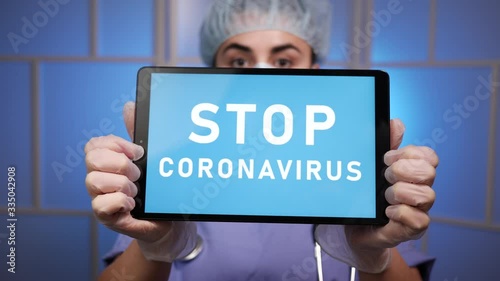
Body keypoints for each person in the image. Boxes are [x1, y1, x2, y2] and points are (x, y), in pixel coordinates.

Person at [84, 0, 438, 280]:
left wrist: (374, 259)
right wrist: (155, 246)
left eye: (284, 61)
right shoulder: (174, 169)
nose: (260, 74)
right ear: (214, 77)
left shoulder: (355, 173)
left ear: (316, 73)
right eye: (239, 60)